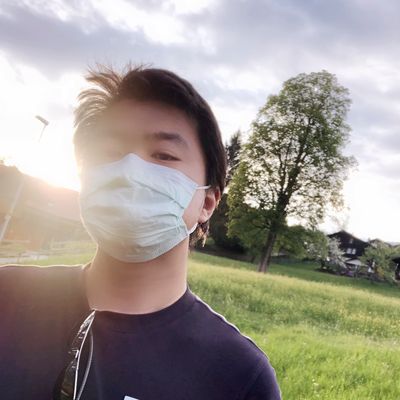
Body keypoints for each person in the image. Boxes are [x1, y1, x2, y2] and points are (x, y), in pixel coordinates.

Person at [0, 64, 281, 400]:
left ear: (207, 202)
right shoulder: (7, 296)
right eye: (110, 153)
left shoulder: (239, 377)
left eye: (164, 155)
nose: (129, 170)